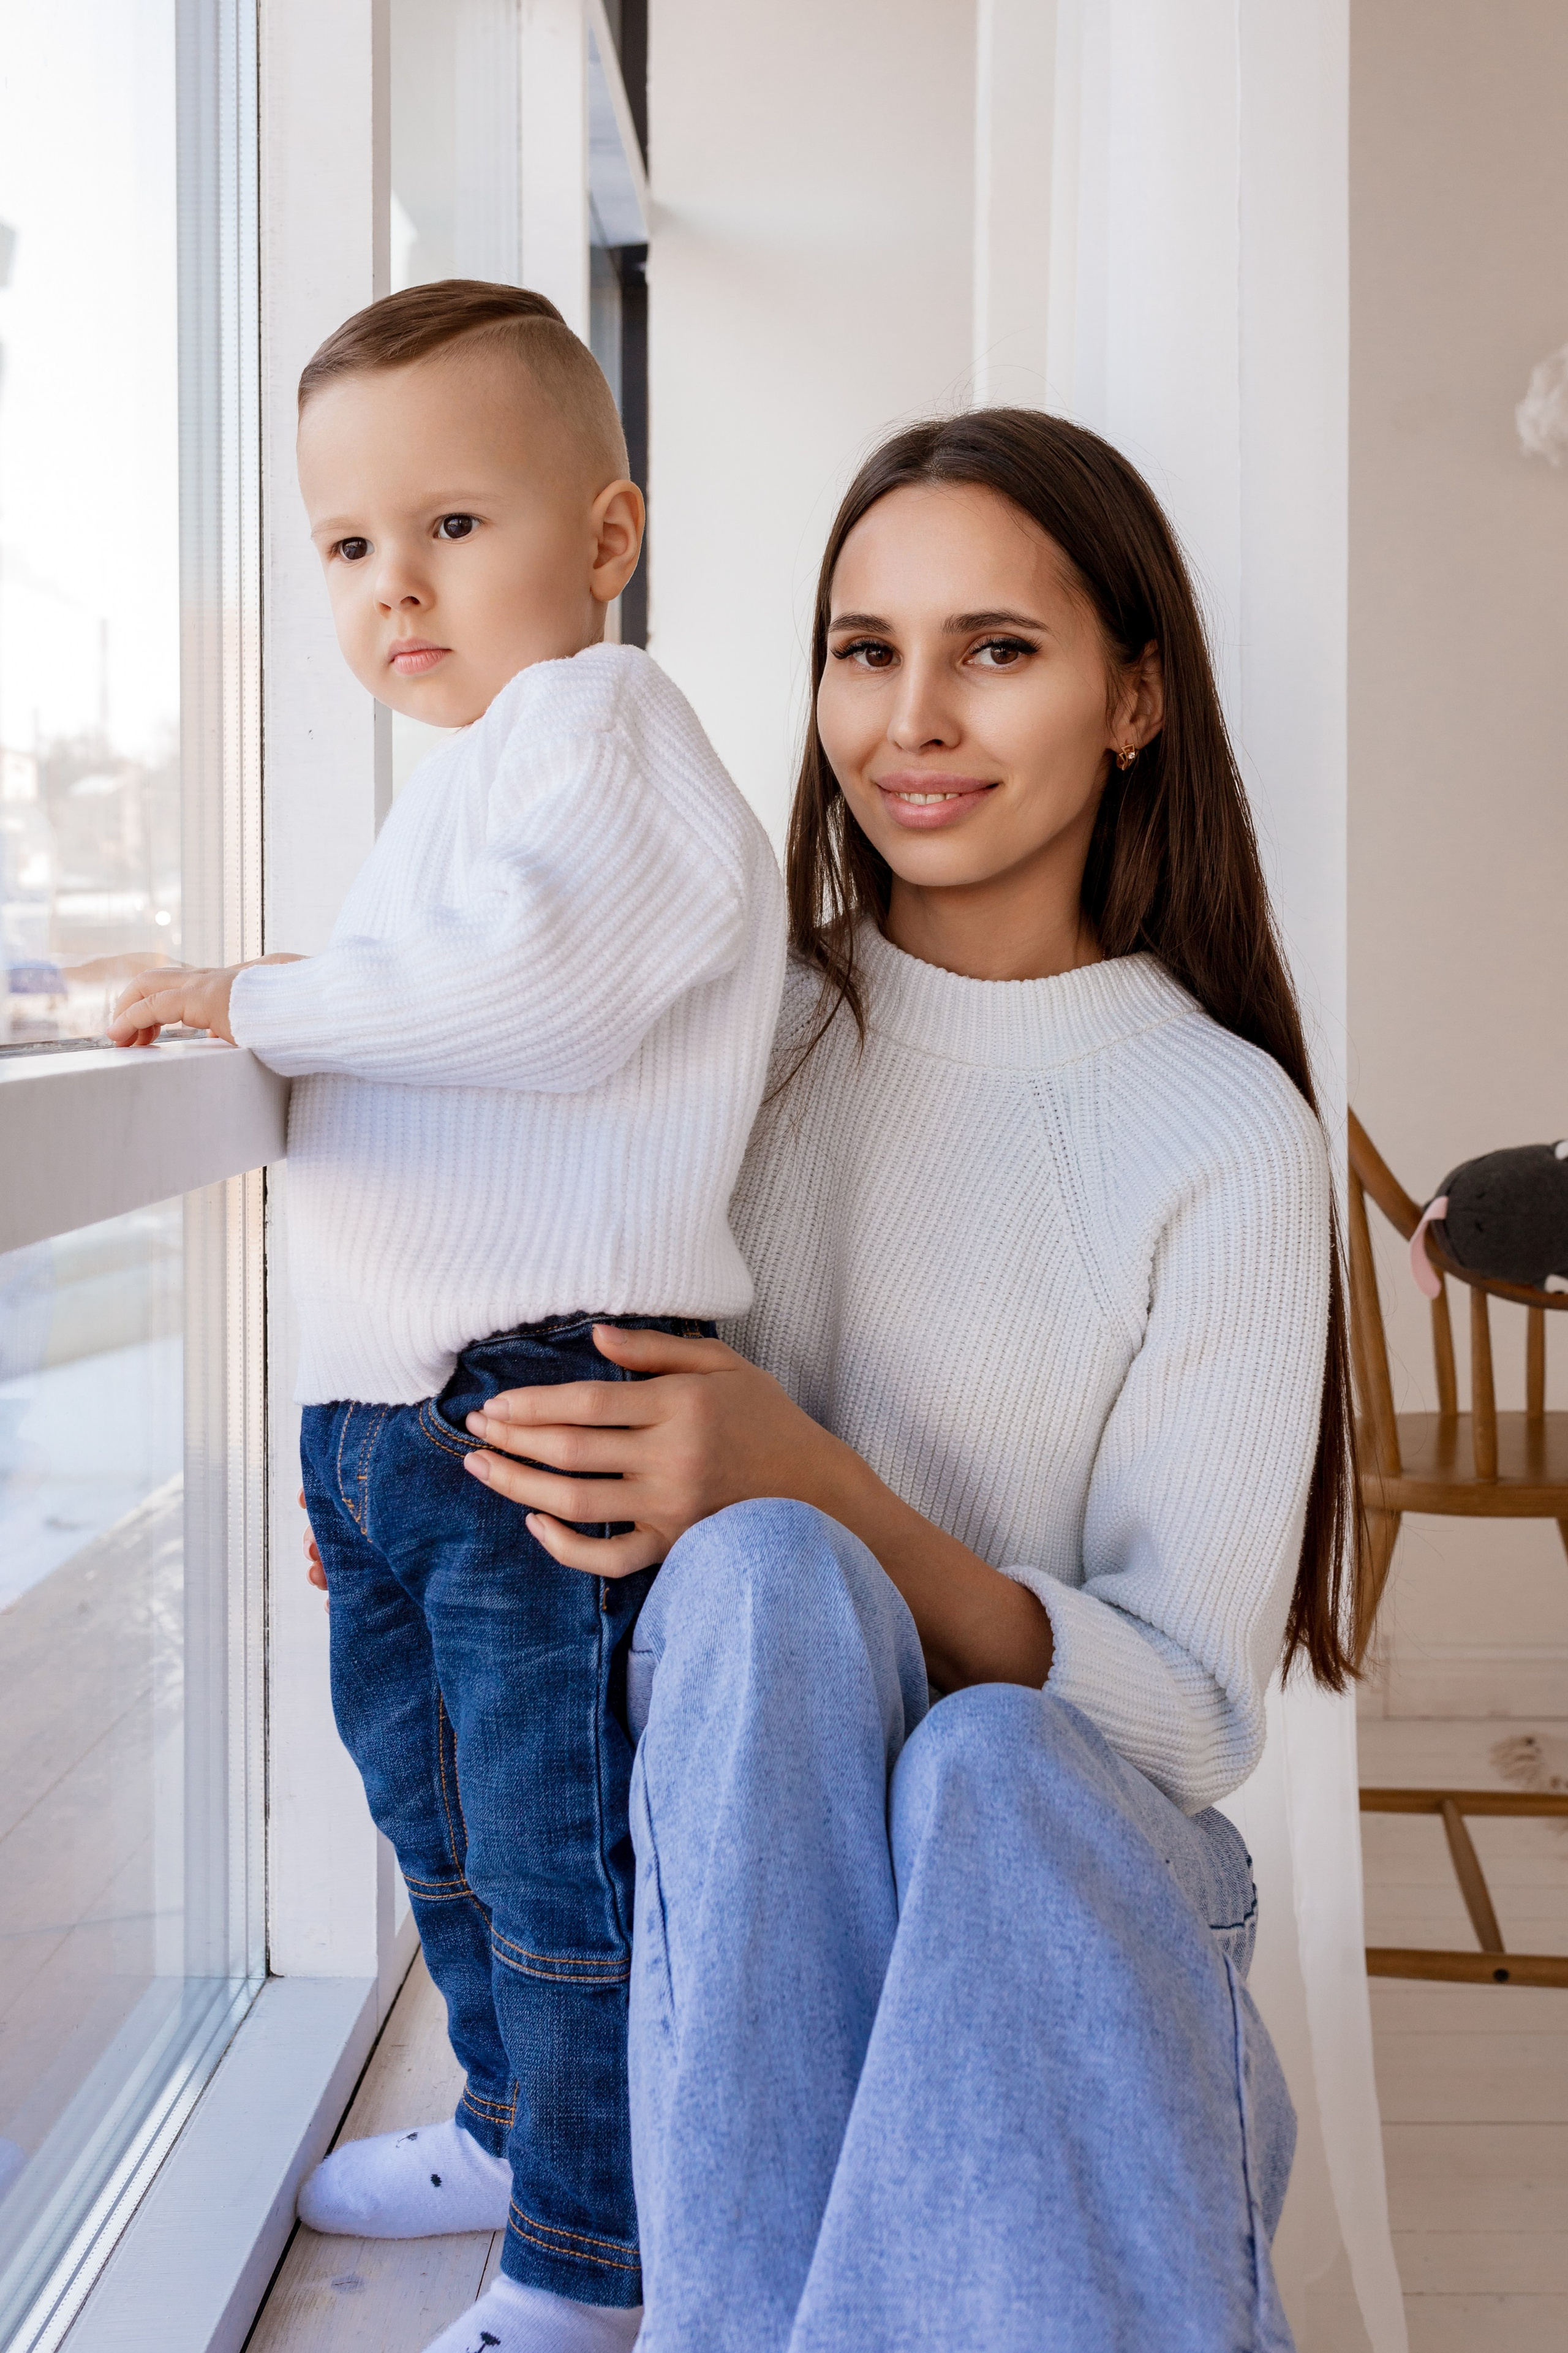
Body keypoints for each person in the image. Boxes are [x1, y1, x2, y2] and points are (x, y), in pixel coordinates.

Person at [450, 409, 1363, 2352]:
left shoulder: (1223, 1128)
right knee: (767, 1590)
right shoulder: (734, 1028)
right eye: (866, 648)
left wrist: (812, 1474)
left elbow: (1190, 1719)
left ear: (1136, 700)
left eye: (996, 650)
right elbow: (492, 1256)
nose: (913, 718)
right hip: (740, 1890)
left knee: (992, 1751)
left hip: (1065, 1930)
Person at [110, 279, 786, 2353]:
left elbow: (540, 994)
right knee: (443, 1825)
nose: (393, 584)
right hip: (402, 1418)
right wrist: (319, 979)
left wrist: (256, 996)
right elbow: (456, 989)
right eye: (346, 546)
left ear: (607, 536)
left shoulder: (608, 727)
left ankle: (588, 2259)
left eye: (454, 526)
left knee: (553, 1849)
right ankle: (513, 2127)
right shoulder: (478, 782)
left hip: (534, 1398)